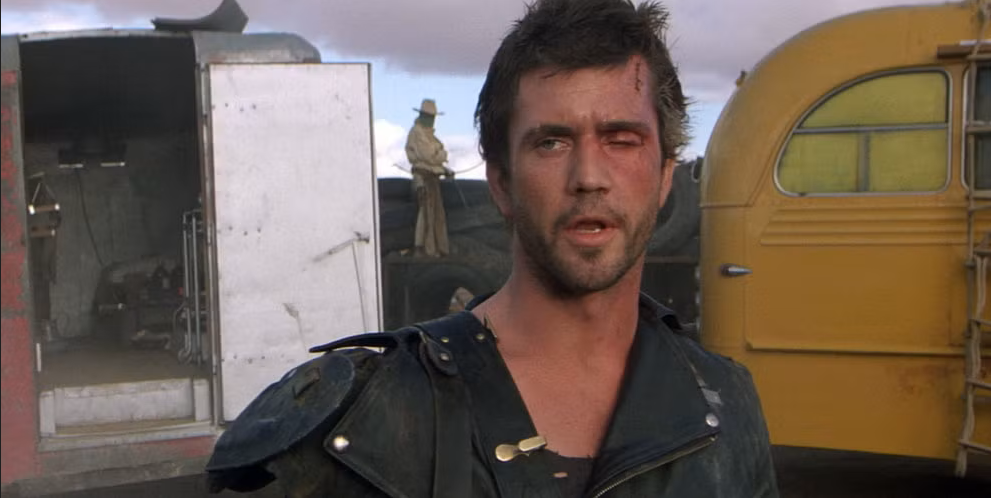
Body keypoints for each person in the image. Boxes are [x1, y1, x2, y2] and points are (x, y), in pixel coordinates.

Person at [206, 0, 779, 496]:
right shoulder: (370, 417)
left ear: (664, 177)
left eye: (621, 140)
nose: (589, 176)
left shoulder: (726, 403)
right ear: (501, 181)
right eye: (552, 142)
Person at [406, 98, 454, 257]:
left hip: (432, 178)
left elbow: (436, 156)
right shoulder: (417, 132)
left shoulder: (431, 136)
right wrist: (439, 154)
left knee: (436, 214)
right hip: (422, 177)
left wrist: (442, 166)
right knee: (425, 212)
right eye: (428, 116)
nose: (430, 120)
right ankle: (422, 248)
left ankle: (437, 249)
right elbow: (428, 155)